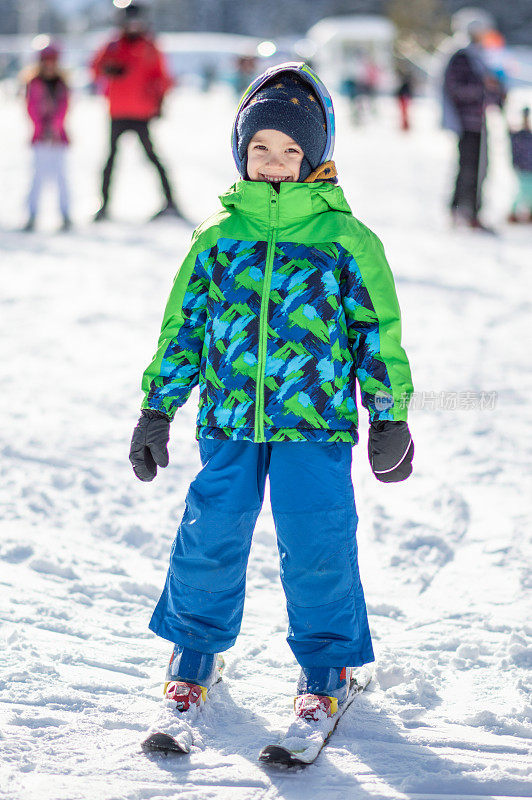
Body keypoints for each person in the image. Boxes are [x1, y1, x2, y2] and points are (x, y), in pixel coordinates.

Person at [129, 63, 414, 726]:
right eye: (261, 148)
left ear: (314, 158)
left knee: (318, 540)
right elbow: (184, 331)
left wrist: (389, 415)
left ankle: (326, 667)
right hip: (229, 421)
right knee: (211, 533)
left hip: (314, 426)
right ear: (241, 151)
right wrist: (156, 408)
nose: (275, 161)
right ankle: (193, 653)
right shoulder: (218, 237)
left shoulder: (346, 240)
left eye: (291, 151)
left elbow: (380, 333)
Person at [91, 2, 179, 221]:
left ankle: (170, 202)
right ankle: (104, 205)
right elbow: (94, 68)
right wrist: (108, 69)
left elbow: (164, 78)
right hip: (118, 112)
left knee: (152, 157)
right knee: (111, 159)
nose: (133, 25)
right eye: (129, 21)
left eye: (136, 21)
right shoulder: (112, 45)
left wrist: (159, 100)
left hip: (141, 113)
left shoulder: (150, 46)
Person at [443, 21, 505, 231]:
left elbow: (494, 89)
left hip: (479, 123)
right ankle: (463, 212)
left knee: (480, 168)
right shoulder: (462, 57)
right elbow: (457, 88)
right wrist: (483, 87)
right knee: (470, 168)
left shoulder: (479, 57)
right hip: (466, 123)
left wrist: (497, 90)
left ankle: (470, 211)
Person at [23, 44, 71, 232]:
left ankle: (65, 213)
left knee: (62, 177)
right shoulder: (34, 83)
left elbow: (64, 109)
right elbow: (31, 108)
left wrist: (55, 129)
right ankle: (32, 214)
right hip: (40, 138)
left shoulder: (61, 83)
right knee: (37, 177)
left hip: (58, 138)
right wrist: (42, 129)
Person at [508, 107, 532, 223]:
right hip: (523, 168)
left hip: (529, 168)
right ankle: (513, 212)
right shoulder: (519, 136)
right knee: (522, 191)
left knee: (528, 191)